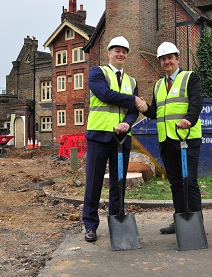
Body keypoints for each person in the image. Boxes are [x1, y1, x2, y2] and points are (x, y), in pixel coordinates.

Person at [136, 41, 204, 234]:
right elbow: (157, 113)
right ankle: (181, 219)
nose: (167, 62)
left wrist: (188, 120)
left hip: (187, 138)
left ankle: (195, 222)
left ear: (177, 59)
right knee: (175, 182)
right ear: (160, 62)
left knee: (189, 181)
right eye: (163, 59)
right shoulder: (158, 85)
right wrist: (144, 108)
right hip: (166, 141)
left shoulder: (190, 77)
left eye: (170, 58)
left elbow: (197, 103)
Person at [82, 36, 143, 242]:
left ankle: (116, 222)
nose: (120, 54)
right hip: (99, 136)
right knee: (93, 184)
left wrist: (127, 122)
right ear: (109, 53)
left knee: (118, 184)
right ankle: (90, 225)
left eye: (124, 51)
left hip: (122, 138)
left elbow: (134, 112)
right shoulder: (98, 73)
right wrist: (133, 100)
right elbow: (105, 95)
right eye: (117, 50)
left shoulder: (131, 81)